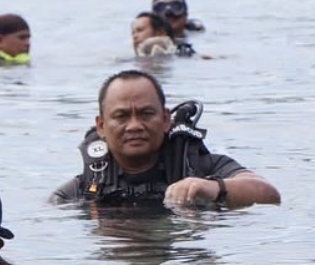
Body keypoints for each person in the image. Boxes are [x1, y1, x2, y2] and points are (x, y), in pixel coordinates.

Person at [49, 70, 280, 207]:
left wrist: (212, 188)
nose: (134, 126)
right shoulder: (79, 191)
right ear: (101, 126)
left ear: (166, 119)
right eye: (121, 116)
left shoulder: (200, 166)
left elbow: (269, 195)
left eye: (146, 114)